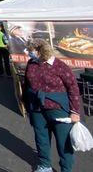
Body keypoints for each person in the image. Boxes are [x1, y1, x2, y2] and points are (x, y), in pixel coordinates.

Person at [23, 39, 81, 172]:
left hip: (58, 109)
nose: (28, 53)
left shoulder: (60, 66)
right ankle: (45, 165)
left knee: (64, 142)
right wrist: (26, 102)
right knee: (41, 138)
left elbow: (73, 88)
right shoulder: (31, 63)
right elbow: (26, 84)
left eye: (30, 51)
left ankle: (66, 169)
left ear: (40, 50)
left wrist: (75, 111)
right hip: (37, 107)